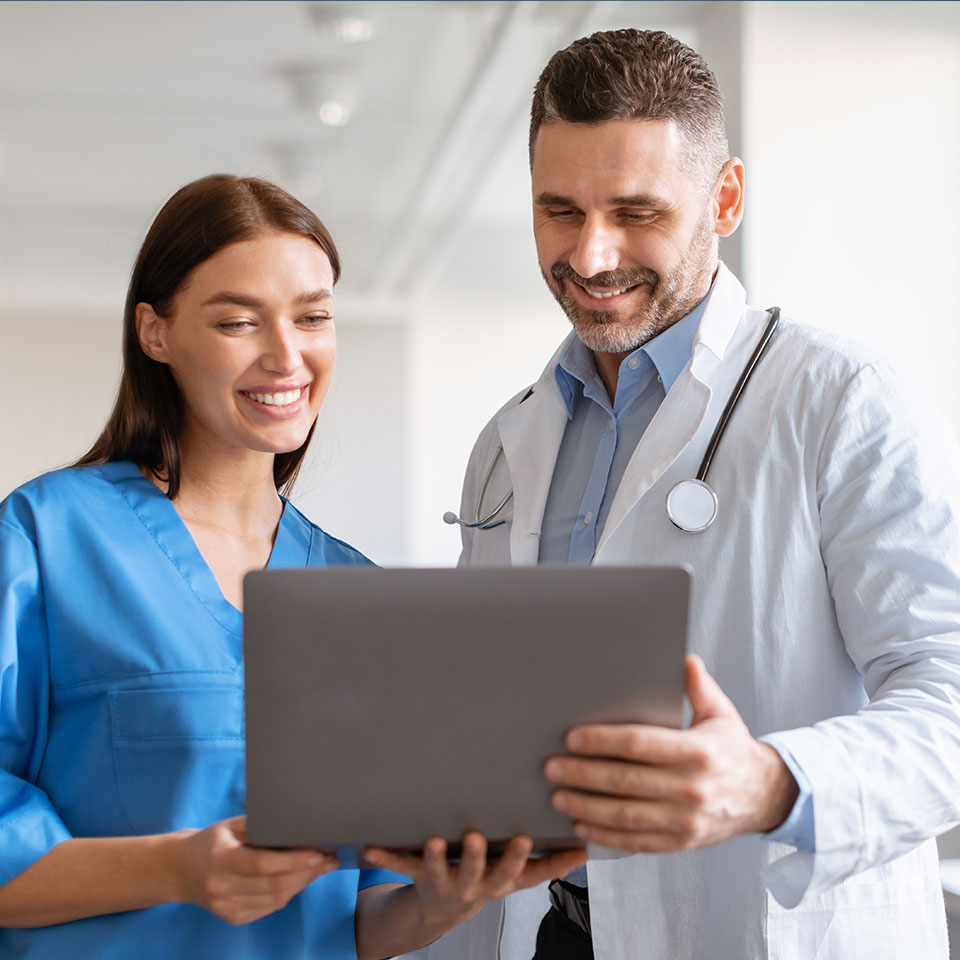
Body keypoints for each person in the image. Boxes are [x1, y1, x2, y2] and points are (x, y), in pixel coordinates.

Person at [433, 28, 960, 960]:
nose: (592, 256)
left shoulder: (842, 402)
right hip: (553, 932)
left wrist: (769, 783)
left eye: (637, 212)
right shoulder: (505, 444)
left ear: (725, 198)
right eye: (559, 211)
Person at [0, 174, 586, 959]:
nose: (287, 355)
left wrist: (441, 903)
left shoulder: (356, 594)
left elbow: (357, 922)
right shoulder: (51, 536)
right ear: (155, 332)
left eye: (312, 317)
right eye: (239, 320)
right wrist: (176, 869)